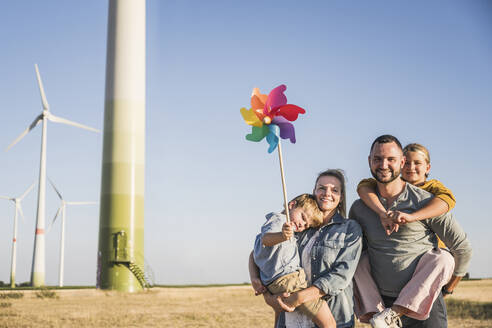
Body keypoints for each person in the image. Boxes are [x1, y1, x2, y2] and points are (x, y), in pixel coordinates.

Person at [349, 135, 472, 328]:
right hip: (381, 310)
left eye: (391, 159)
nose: (383, 165)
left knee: (444, 258)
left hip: (426, 309)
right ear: (369, 161)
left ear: (401, 161)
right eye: (377, 159)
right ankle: (383, 315)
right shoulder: (360, 207)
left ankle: (397, 311)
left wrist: (448, 289)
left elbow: (462, 247)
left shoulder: (428, 202)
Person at [249, 169, 363, 328]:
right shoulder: (296, 225)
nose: (327, 193)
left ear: (341, 197)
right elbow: (260, 252)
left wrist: (300, 297)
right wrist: (265, 293)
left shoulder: (349, 228)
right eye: (321, 188)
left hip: (332, 313)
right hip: (291, 316)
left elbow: (342, 274)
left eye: (334, 190)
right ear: (314, 191)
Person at [252, 193, 336, 328]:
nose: (301, 224)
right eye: (303, 217)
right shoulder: (279, 220)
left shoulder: (272, 229)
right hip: (290, 280)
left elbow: (254, 254)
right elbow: (266, 239)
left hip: (274, 284)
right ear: (291, 205)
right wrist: (282, 235)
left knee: (280, 320)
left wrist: (254, 276)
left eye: (306, 225)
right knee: (329, 323)